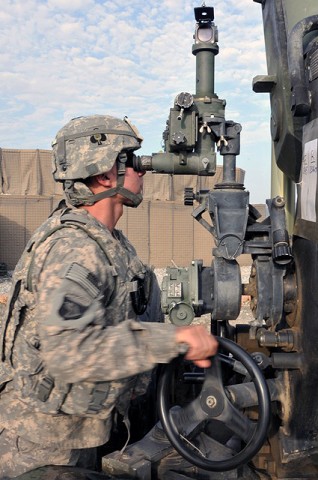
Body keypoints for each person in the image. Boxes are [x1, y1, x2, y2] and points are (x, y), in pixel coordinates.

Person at [0, 114, 218, 479]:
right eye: (132, 161)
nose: (143, 170)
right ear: (104, 175)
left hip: (83, 429)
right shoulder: (73, 248)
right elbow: (71, 352)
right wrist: (175, 338)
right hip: (47, 447)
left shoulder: (107, 240)